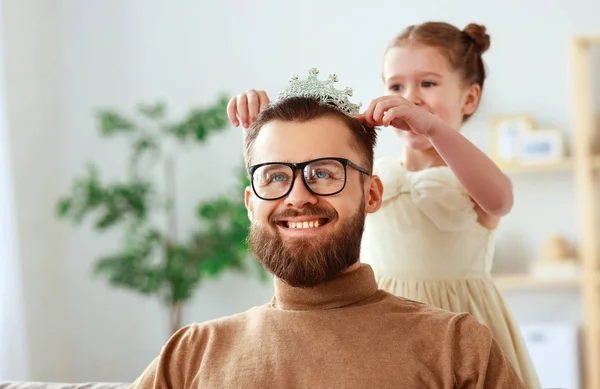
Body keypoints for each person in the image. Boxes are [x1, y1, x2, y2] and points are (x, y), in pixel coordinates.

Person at [130, 69, 526, 388]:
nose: (297, 196)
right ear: (251, 203)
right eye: (274, 176)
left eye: (322, 173)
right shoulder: (190, 355)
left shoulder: (457, 349)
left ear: (372, 195)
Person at [226, 22, 540, 388]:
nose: (411, 97)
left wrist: (434, 129)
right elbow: (300, 185)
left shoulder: (470, 176)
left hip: (459, 316)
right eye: (396, 86)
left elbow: (501, 200)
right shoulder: (375, 176)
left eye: (428, 83)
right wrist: (258, 131)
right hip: (379, 317)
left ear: (469, 99)